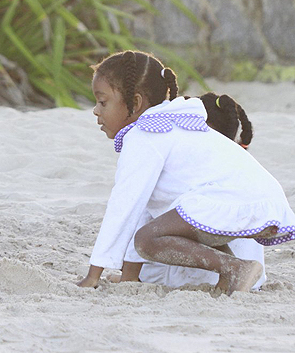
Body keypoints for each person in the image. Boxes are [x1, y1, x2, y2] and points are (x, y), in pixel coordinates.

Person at [77, 51, 295, 295]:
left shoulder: (144, 136)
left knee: (147, 241)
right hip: (261, 200)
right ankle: (232, 274)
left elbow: (124, 207)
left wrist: (93, 275)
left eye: (103, 102)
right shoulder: (176, 124)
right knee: (178, 222)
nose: (96, 111)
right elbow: (144, 211)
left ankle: (235, 267)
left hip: (234, 201)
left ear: (136, 103)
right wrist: (129, 279)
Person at [110, 92, 266, 289]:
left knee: (148, 234)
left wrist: (128, 278)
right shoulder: (238, 169)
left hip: (194, 278)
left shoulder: (182, 167)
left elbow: (140, 215)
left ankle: (232, 268)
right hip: (254, 279)